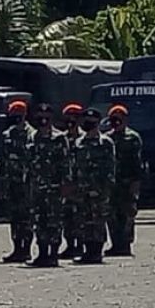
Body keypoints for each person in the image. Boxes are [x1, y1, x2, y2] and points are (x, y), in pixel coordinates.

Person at [26, 104, 71, 269]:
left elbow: (66, 163)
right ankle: (42, 252)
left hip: (54, 187)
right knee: (39, 220)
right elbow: (28, 163)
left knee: (54, 221)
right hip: (37, 186)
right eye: (40, 114)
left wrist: (65, 184)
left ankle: (53, 253)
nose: (43, 117)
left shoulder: (59, 138)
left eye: (46, 114)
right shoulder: (32, 137)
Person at [72, 108, 116, 264]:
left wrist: (106, 189)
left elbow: (110, 168)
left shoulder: (105, 143)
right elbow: (75, 167)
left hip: (99, 189)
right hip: (83, 188)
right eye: (86, 122)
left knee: (98, 220)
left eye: (91, 123)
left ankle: (97, 251)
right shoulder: (79, 143)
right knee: (84, 220)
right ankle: (87, 250)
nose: (88, 125)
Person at [0, 100, 35, 264]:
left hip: (27, 184)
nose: (16, 118)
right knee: (14, 218)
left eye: (18, 115)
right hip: (11, 182)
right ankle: (17, 248)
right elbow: (3, 161)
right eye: (13, 115)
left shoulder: (32, 135)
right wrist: (1, 182)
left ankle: (26, 249)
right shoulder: (7, 135)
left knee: (26, 217)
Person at [106, 104, 143, 256]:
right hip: (112, 183)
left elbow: (137, 164)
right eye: (114, 120)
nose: (117, 123)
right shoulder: (107, 138)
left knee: (127, 214)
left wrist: (135, 184)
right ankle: (116, 244)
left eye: (119, 119)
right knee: (112, 215)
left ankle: (125, 244)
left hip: (128, 182)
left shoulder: (133, 138)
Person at [60, 103, 84, 258]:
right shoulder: (61, 139)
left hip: (82, 184)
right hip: (66, 184)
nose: (71, 120)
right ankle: (70, 245)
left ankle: (81, 245)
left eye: (75, 117)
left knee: (82, 216)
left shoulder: (85, 138)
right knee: (67, 217)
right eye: (68, 117)